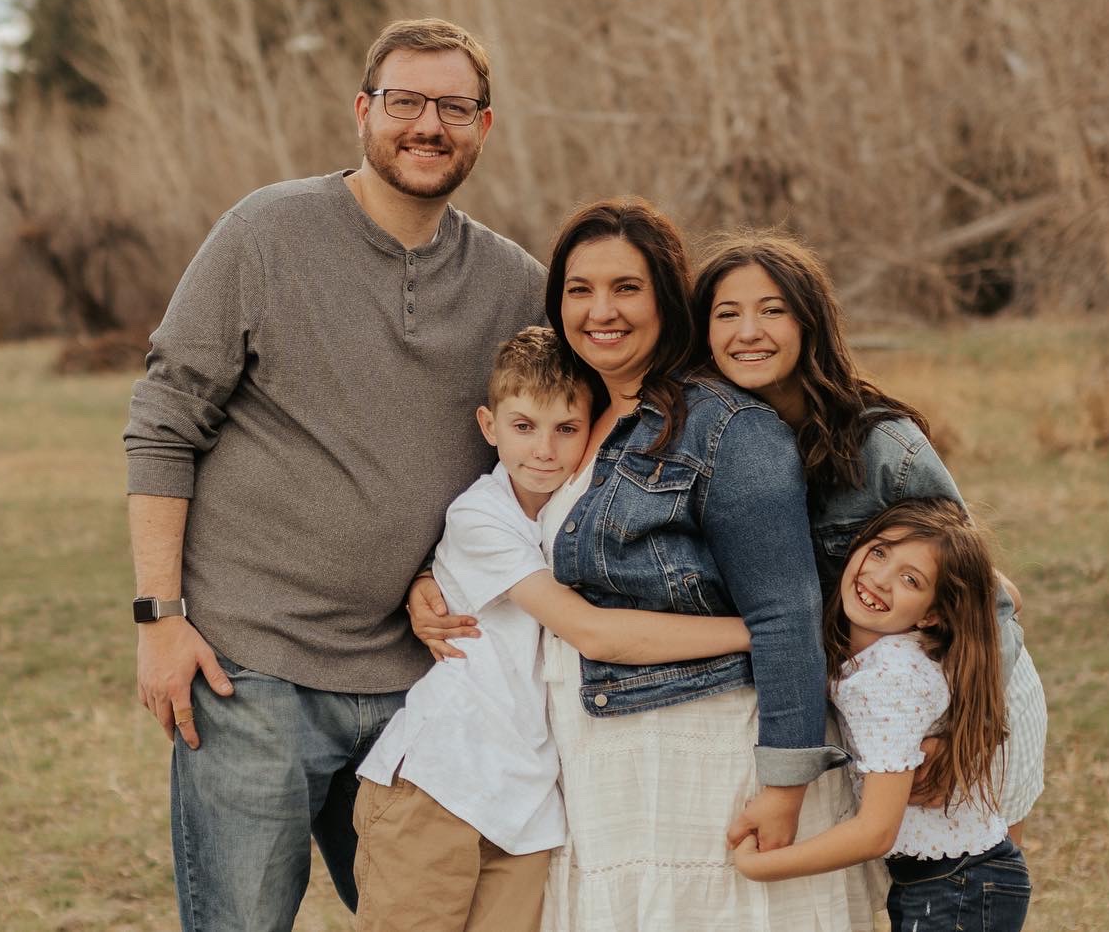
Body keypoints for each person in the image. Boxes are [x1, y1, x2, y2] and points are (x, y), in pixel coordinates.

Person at [122, 18, 547, 931]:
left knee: (428, 921)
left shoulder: (515, 285)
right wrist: (159, 619)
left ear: (484, 126)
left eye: (454, 107)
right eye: (405, 102)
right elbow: (163, 421)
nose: (428, 124)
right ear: (363, 111)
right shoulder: (266, 233)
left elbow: (545, 451)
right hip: (251, 669)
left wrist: (437, 570)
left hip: (420, 680)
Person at [418, 197, 881, 931]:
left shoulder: (725, 426)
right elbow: (511, 528)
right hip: (598, 760)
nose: (601, 310)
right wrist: (430, 584)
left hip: (710, 753)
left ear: (666, 297)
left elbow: (786, 611)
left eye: (626, 288)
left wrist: (784, 785)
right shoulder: (570, 415)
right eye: (580, 289)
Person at [352, 327, 751, 932]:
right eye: (523, 426)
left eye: (566, 429)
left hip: (529, 806)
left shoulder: (580, 513)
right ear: (489, 426)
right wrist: (757, 631)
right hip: (441, 779)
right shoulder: (481, 515)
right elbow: (592, 632)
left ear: (595, 430)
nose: (543, 449)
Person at [691, 231, 1046, 843]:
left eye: (772, 310)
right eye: (727, 314)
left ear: (809, 324)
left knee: (978, 872)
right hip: (879, 713)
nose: (748, 332)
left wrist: (960, 729)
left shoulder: (884, 448)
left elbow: (985, 600)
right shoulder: (715, 448)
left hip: (969, 704)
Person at [733, 498, 1031, 932]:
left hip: (956, 885)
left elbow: (876, 832)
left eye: (911, 579)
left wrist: (763, 867)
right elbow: (1008, 597)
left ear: (932, 615)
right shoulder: (876, 655)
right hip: (952, 881)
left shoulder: (888, 679)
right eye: (879, 552)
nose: (879, 579)